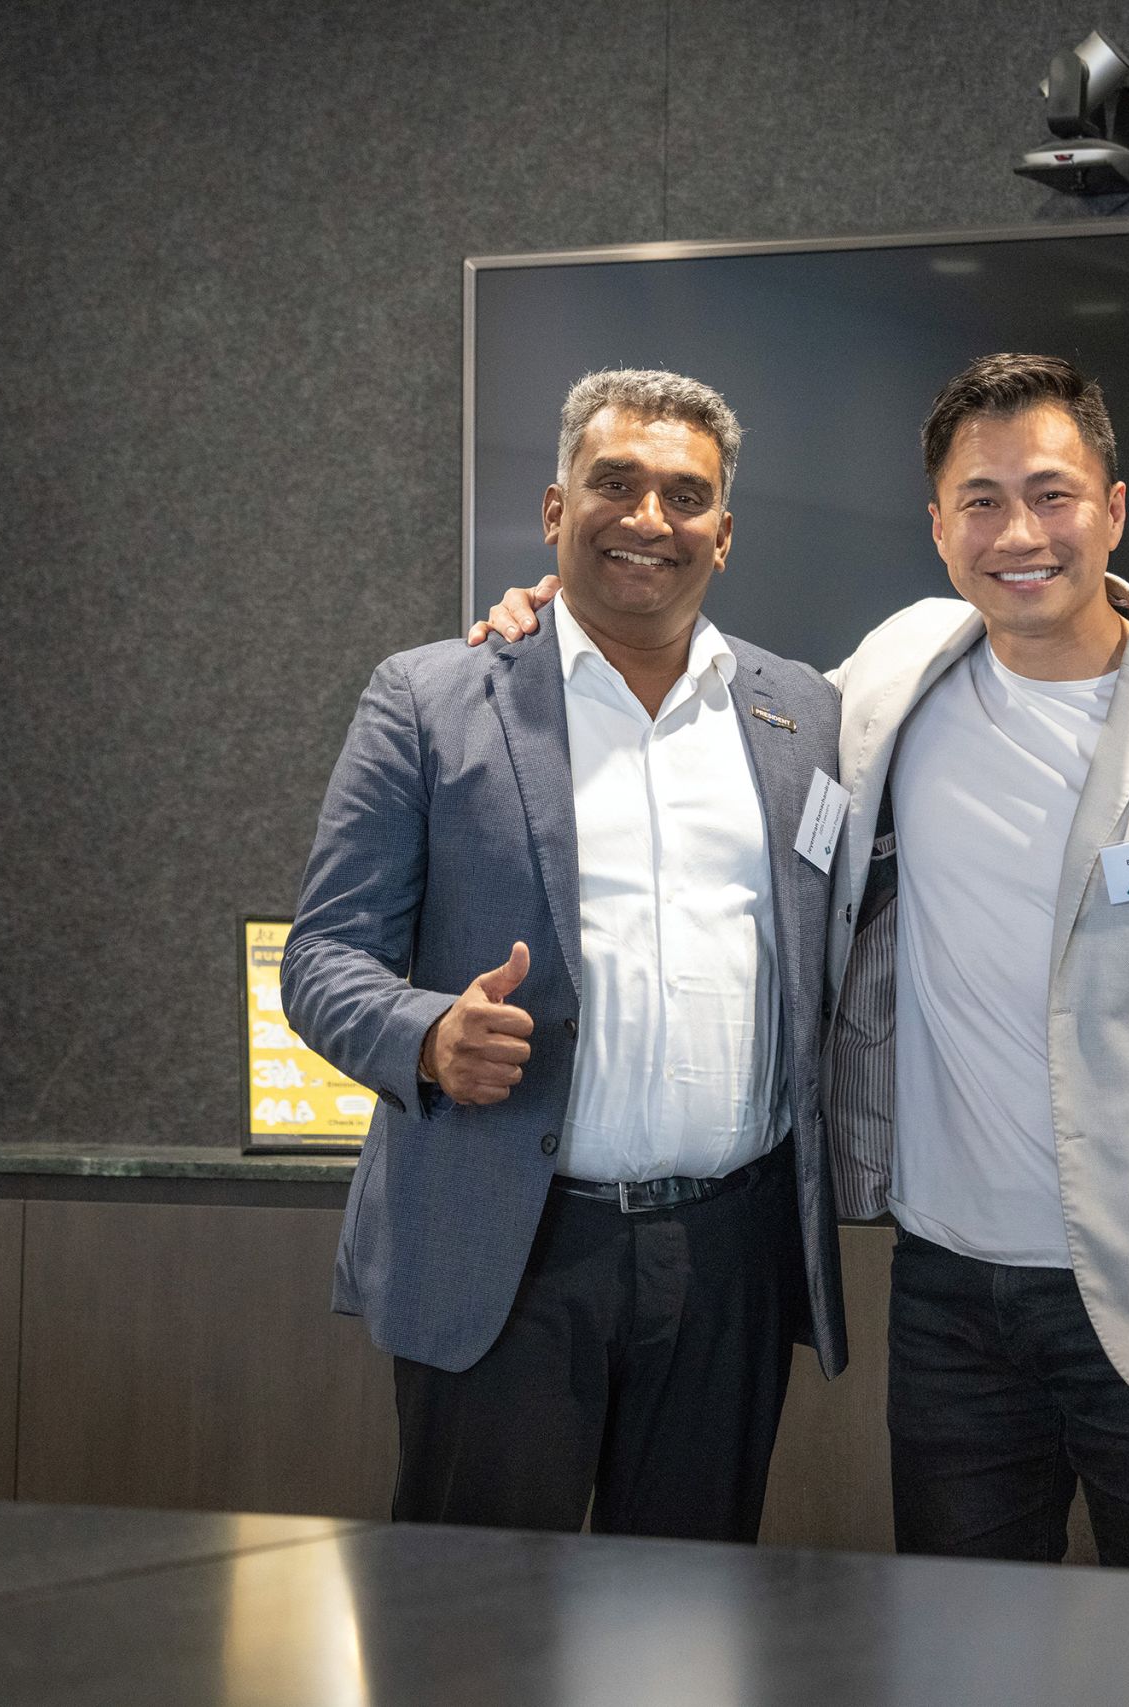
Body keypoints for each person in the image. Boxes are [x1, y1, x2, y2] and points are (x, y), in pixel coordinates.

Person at [473, 352, 1129, 1572]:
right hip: (943, 1294)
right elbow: (712, 706)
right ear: (940, 528)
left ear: (1113, 510)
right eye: (981, 501)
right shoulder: (894, 674)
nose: (1020, 534)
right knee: (956, 1648)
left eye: (1052, 496)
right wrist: (558, 620)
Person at [284, 369, 846, 1542]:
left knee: (688, 1620)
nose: (648, 518)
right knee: (475, 1620)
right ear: (554, 510)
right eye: (614, 483)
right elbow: (324, 957)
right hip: (509, 1250)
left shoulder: (806, 716)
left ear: (724, 534)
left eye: (685, 496)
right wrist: (425, 1038)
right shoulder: (431, 698)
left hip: (727, 1259)